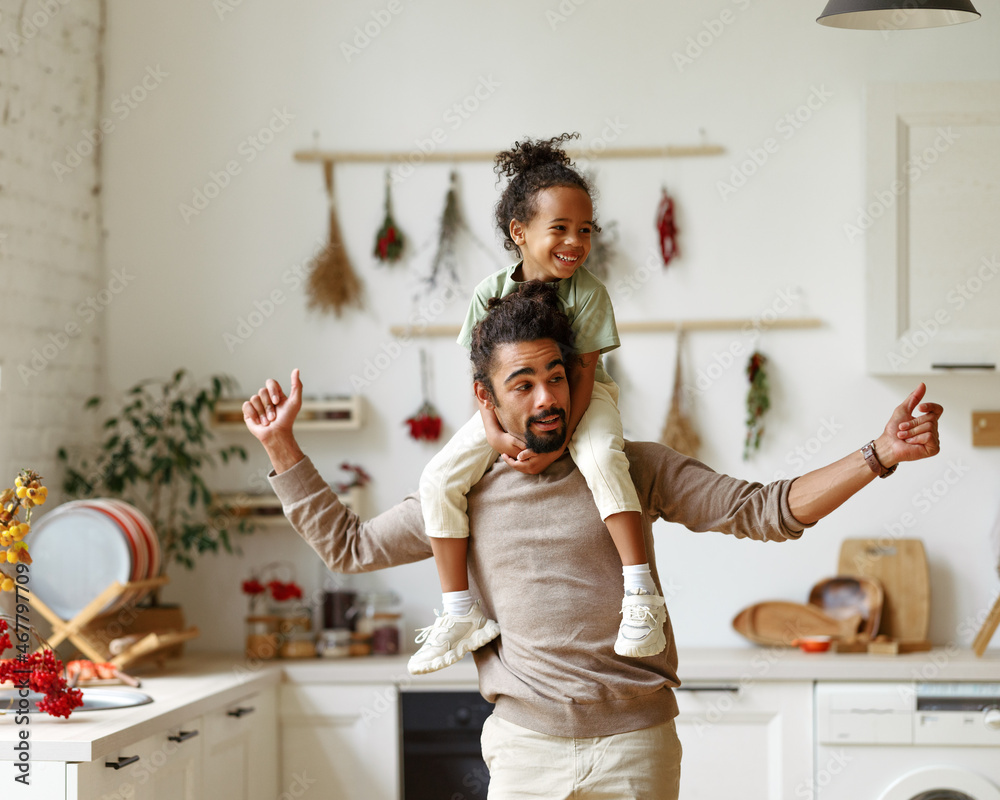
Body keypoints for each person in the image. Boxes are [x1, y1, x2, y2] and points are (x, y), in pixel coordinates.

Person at [243, 283, 943, 800]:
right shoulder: (460, 490)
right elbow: (350, 547)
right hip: (524, 756)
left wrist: (878, 454)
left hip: (635, 750)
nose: (547, 398)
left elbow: (765, 510)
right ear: (484, 399)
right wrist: (281, 447)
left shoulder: (631, 465)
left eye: (556, 377)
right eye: (524, 383)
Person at [411, 133, 662, 676]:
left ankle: (640, 593)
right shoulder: (488, 293)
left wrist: (554, 450)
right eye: (561, 229)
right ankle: (459, 611)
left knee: (600, 459)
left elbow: (581, 372)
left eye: (586, 230)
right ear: (519, 233)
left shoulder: (588, 293)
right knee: (438, 479)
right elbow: (483, 378)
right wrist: (497, 433)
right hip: (509, 407)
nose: (576, 242)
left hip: (583, 394)